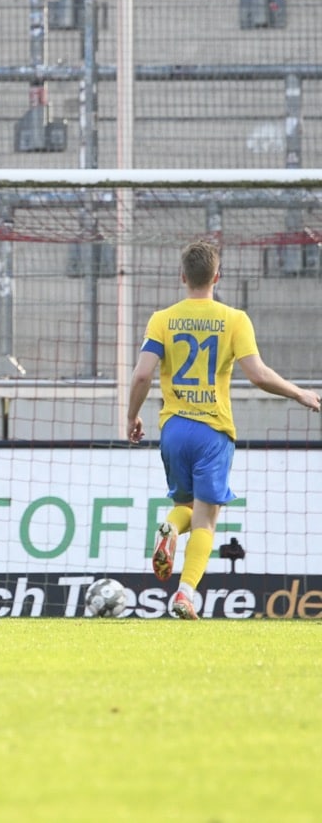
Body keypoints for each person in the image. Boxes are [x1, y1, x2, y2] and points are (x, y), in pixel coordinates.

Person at [126, 240, 320, 620]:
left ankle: (168, 527)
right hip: (213, 432)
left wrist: (132, 417)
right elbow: (258, 375)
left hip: (174, 429)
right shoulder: (234, 319)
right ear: (218, 276)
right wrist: (299, 394)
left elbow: (142, 374)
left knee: (184, 508)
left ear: (182, 276)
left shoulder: (161, 319)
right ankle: (184, 594)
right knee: (207, 519)